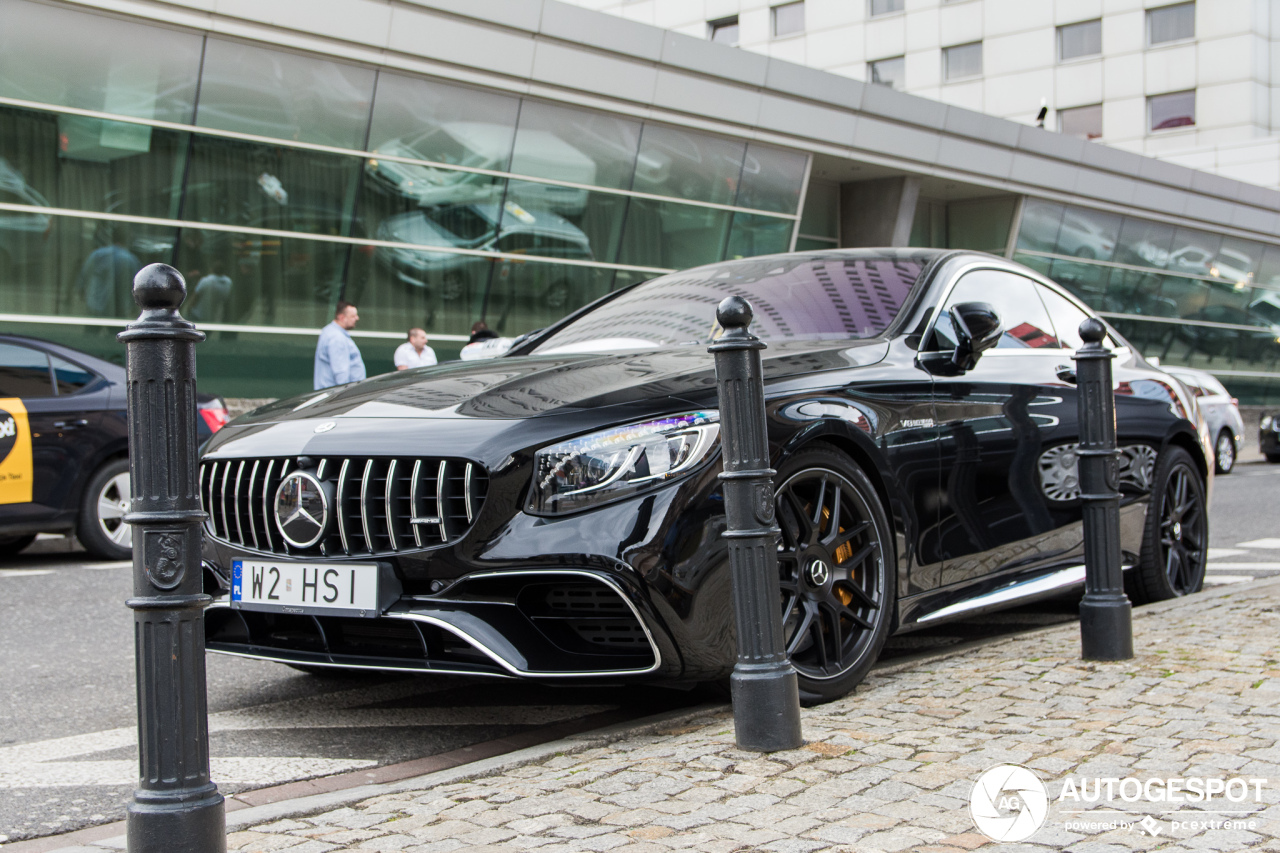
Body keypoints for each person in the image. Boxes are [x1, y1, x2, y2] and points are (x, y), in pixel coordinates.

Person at [75, 230, 140, 318]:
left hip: (96, 303)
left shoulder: (98, 254)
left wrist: (81, 290)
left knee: (92, 330)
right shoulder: (131, 259)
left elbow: (85, 274)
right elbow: (138, 285)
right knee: (116, 330)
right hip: (119, 307)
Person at [314, 301, 366, 389]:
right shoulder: (337, 338)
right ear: (341, 317)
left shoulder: (328, 331)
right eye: (353, 316)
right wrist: (345, 393)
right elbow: (341, 371)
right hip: (339, 395)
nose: (357, 318)